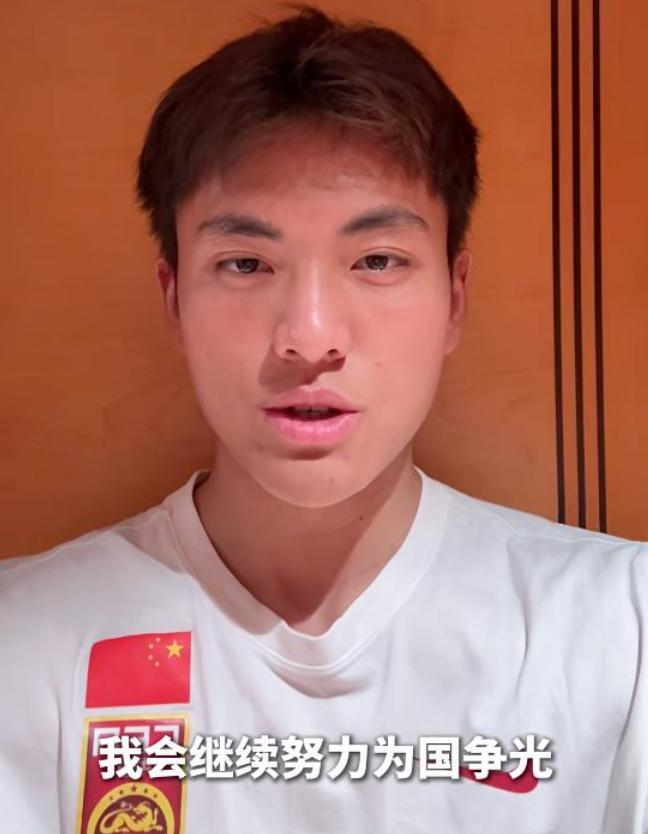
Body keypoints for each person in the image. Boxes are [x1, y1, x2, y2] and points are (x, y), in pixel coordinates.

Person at [1, 5, 646, 833]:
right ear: (174, 300)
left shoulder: (621, 631)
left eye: (376, 260)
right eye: (245, 263)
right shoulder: (25, 645)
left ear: (454, 300)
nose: (309, 339)